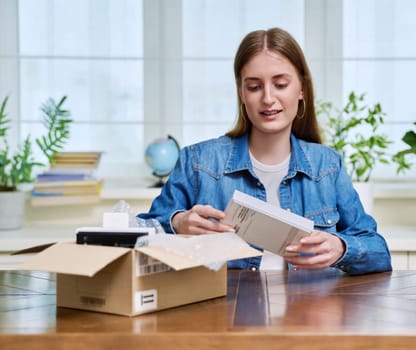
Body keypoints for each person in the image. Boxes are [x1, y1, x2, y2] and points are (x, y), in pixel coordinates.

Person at [138, 27, 392, 275]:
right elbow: (141, 233)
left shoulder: (327, 166)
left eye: (280, 84)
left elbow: (379, 251)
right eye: (254, 87)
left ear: (301, 89)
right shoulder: (198, 162)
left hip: (309, 311)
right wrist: (177, 223)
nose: (268, 98)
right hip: (221, 313)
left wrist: (341, 248)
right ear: (241, 92)